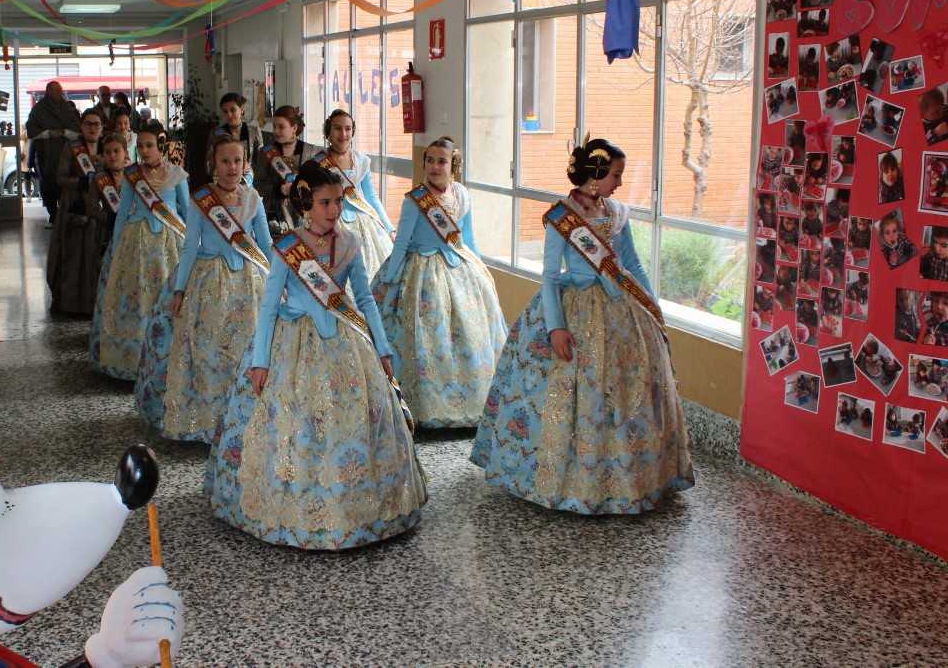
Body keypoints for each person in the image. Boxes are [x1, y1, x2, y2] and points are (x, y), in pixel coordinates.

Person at [206, 160, 426, 549]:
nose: (334, 210)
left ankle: (360, 509)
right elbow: (270, 306)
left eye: (338, 202)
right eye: (325, 203)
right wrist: (260, 361)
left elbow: (365, 302)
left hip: (345, 342)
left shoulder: (351, 245)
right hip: (292, 344)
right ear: (306, 204)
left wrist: (383, 347)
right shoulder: (287, 249)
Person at [470, 137, 694, 514]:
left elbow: (633, 266)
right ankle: (561, 477)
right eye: (616, 175)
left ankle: (624, 479)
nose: (620, 182)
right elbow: (549, 275)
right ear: (595, 174)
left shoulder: (618, 213)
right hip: (571, 309)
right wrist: (555, 327)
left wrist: (652, 307)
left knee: (622, 392)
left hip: (621, 313)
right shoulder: (562, 217)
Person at [136, 134, 274, 440]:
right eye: (225, 161)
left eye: (237, 161)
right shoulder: (202, 200)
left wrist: (281, 283)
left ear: (245, 163)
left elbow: (264, 245)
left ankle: (244, 418)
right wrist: (180, 290)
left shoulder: (253, 199)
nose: (231, 167)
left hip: (249, 286)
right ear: (213, 163)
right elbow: (189, 248)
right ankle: (209, 420)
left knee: (245, 351)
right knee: (208, 351)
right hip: (209, 285)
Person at [372, 137, 506, 427]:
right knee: (426, 341)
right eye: (429, 160)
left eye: (441, 161)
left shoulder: (462, 196)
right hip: (420, 272)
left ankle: (470, 405)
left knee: (465, 338)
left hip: (459, 269)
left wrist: (479, 268)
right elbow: (402, 244)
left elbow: (466, 238)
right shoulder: (414, 201)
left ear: (453, 165)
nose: (434, 166)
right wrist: (388, 280)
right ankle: (423, 405)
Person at [93, 122, 189, 380]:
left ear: (161, 145)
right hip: (135, 243)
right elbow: (123, 212)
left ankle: (168, 358)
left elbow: (187, 213)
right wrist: (115, 248)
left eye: (150, 145)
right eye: (141, 146)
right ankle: (133, 359)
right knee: (138, 298)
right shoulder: (131, 175)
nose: (145, 151)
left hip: (170, 242)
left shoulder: (177, 174)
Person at [313, 109, 395, 276]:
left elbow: (371, 197)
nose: (343, 134)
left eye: (348, 129)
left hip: (362, 223)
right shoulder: (318, 162)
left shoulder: (362, 161)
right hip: (330, 223)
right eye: (337, 128)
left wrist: (389, 228)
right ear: (328, 131)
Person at [45, 108, 109, 316]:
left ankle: (95, 304)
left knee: (95, 258)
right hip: (75, 209)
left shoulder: (108, 148)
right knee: (73, 258)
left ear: (102, 127)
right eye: (88, 124)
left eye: (96, 124)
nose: (92, 128)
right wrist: (81, 182)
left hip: (99, 211)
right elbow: (60, 178)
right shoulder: (72, 148)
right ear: (81, 126)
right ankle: (72, 304)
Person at [86, 132, 130, 369]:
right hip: (107, 236)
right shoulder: (98, 180)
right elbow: (91, 207)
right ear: (102, 156)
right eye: (108, 152)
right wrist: (109, 217)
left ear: (125, 153)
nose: (113, 156)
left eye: (117, 151)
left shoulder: (136, 178)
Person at [24, 80, 81, 226]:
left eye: (60, 90)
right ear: (48, 92)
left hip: (66, 152)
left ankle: (65, 213)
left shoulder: (68, 108)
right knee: (48, 184)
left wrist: (65, 132)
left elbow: (78, 130)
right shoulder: (38, 109)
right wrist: (49, 133)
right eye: (56, 91)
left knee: (66, 184)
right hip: (46, 154)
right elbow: (30, 131)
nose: (59, 93)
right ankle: (53, 214)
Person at [254, 105, 313, 236]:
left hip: (303, 214)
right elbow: (258, 184)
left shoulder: (308, 152)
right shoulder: (266, 152)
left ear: (294, 128)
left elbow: (317, 184)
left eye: (281, 127)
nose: (276, 131)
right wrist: (279, 189)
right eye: (274, 126)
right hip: (274, 216)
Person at [212, 92, 263, 183]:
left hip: (248, 177)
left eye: (233, 110)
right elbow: (209, 164)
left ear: (242, 109)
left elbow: (261, 162)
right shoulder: (217, 134)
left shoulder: (253, 132)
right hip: (224, 178)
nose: (229, 115)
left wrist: (248, 167)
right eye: (225, 112)